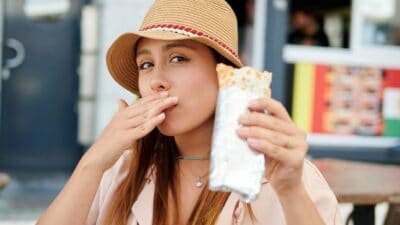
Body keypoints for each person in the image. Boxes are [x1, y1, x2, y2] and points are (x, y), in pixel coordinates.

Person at [37, 0, 342, 225]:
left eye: (178, 58)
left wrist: (290, 191)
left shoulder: (281, 175)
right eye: (146, 64)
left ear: (226, 76)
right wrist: (92, 163)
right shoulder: (120, 171)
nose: (156, 80)